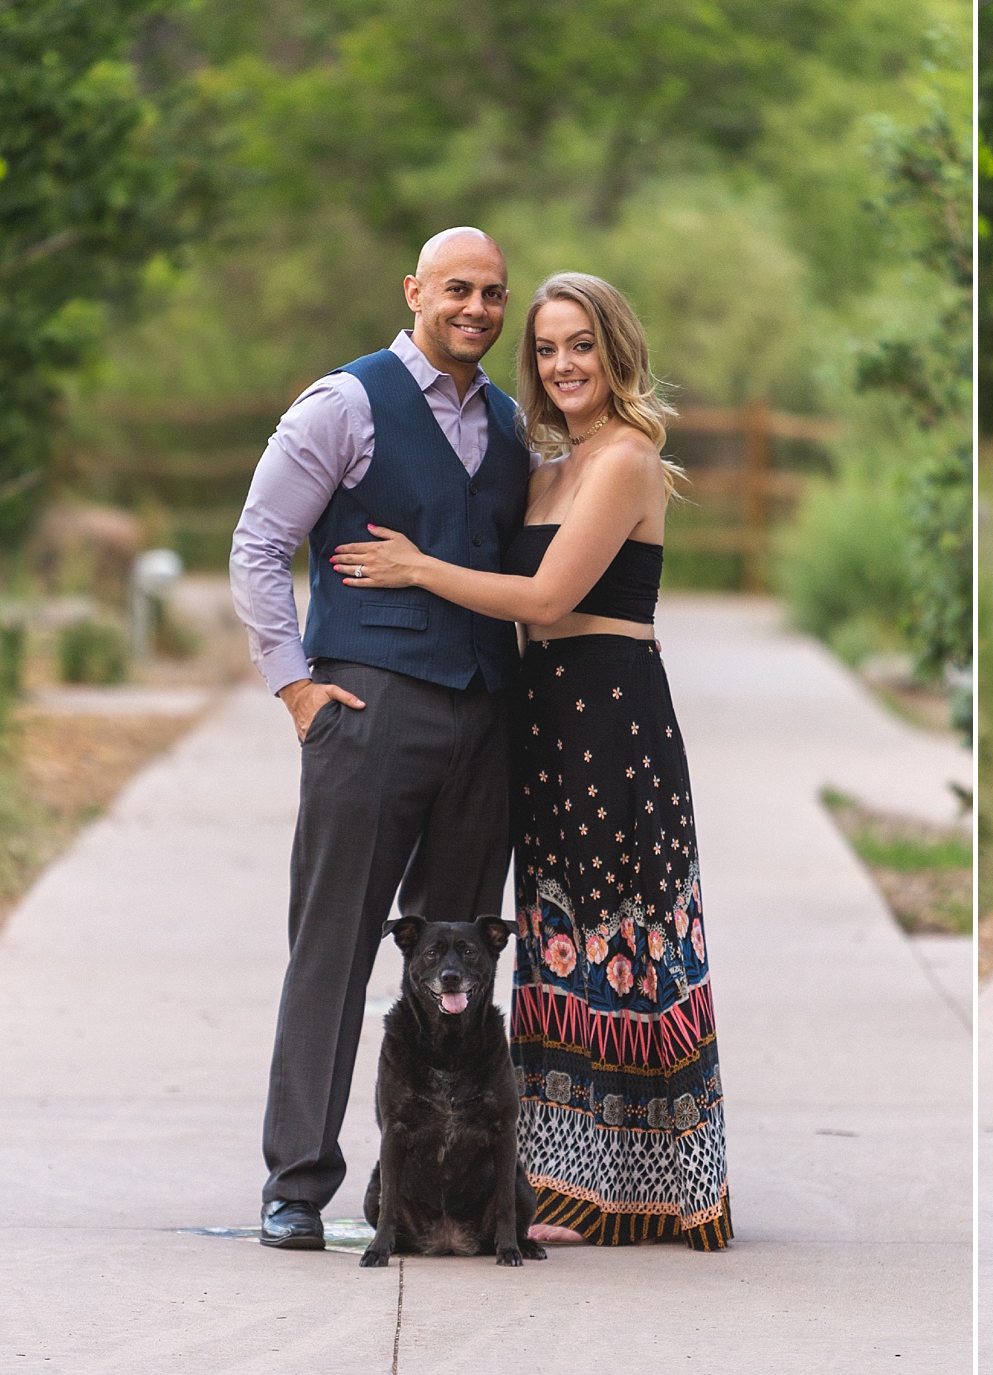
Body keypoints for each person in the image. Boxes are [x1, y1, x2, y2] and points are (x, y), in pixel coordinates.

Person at [330, 271, 732, 1250]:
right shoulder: (551, 460)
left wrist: (416, 566)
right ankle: (557, 1182)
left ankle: (645, 1189)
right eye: (547, 348)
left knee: (616, 941)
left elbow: (549, 599)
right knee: (557, 941)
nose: (562, 365)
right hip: (543, 715)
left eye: (580, 345)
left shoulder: (627, 458)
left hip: (610, 719)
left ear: (616, 349)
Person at [231, 227, 531, 1250]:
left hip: (480, 719)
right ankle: (298, 1182)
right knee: (334, 947)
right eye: (458, 287)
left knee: (455, 962)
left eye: (493, 292)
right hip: (367, 708)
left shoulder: (507, 418)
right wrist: (296, 687)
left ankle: (443, 1190)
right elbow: (260, 542)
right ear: (415, 290)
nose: (477, 307)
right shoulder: (346, 402)